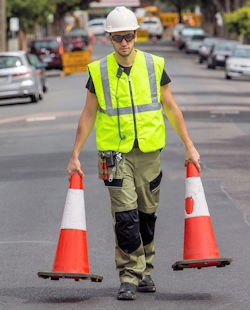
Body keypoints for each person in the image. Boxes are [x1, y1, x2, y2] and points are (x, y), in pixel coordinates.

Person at [67, 6, 200, 301]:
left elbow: (170, 107)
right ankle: (129, 275)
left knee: (146, 215)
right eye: (117, 38)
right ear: (109, 39)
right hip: (113, 156)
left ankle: (145, 270)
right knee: (124, 216)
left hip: (149, 152)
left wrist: (190, 145)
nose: (124, 43)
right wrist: (74, 154)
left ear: (136, 35)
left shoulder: (154, 65)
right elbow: (88, 114)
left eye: (128, 36)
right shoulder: (98, 71)